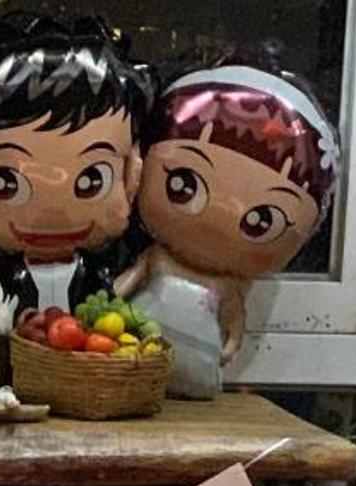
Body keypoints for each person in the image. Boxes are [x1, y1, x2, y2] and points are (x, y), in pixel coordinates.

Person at [120, 65, 338, 398]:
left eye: (260, 221)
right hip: (130, 353)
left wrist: (227, 351)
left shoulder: (227, 286)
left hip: (197, 359)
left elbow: (234, 325)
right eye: (183, 185)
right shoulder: (157, 258)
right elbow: (122, 288)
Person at [0, 13, 154, 320]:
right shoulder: (8, 279)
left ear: (130, 175)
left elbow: (108, 321)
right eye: (7, 182)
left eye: (92, 180)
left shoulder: (93, 278)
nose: (53, 212)